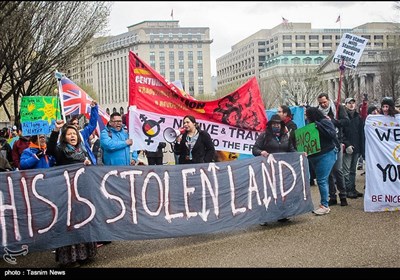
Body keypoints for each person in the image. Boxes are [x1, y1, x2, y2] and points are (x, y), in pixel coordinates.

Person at [47, 120, 96, 268]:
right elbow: (50, 150)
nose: (72, 136)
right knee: (69, 222)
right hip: (66, 191)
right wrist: (56, 130)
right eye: (69, 134)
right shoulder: (60, 150)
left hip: (81, 191)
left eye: (74, 133)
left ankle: (84, 254)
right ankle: (69, 258)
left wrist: (87, 163)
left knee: (82, 220)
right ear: (64, 137)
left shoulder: (82, 150)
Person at [252, 114, 296, 224]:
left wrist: (301, 155)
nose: (276, 125)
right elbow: (255, 149)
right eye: (274, 124)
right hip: (268, 170)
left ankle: (281, 214)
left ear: (281, 125)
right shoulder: (264, 136)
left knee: (281, 192)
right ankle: (264, 216)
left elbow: (291, 150)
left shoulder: (286, 136)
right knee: (268, 192)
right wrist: (261, 152)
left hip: (282, 170)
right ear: (270, 125)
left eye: (278, 124)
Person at [317, 93, 349, 207]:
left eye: (324, 102)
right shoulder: (318, 111)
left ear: (328, 100)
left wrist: (333, 121)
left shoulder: (338, 107)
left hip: (337, 141)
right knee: (328, 171)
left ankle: (343, 195)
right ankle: (332, 196)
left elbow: (346, 121)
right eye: (320, 103)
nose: (323, 105)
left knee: (337, 169)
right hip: (325, 144)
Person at [305, 107, 338, 215]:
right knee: (323, 179)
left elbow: (332, 135)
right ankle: (327, 200)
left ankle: (325, 205)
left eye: (307, 114)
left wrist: (318, 126)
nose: (306, 117)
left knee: (321, 180)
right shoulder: (309, 124)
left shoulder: (324, 122)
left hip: (326, 154)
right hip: (315, 156)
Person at [342, 97, 364, 199]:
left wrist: (360, 148)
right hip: (348, 147)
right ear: (345, 104)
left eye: (353, 103)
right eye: (349, 103)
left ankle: (352, 188)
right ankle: (347, 189)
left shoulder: (358, 117)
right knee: (346, 170)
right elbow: (342, 133)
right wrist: (346, 144)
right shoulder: (343, 117)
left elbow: (360, 133)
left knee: (353, 170)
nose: (351, 105)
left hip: (356, 147)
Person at [68, 100, 99, 165]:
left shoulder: (82, 134)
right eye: (73, 124)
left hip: (88, 164)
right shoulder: (64, 137)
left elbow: (92, 124)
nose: (76, 125)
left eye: (77, 123)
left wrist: (94, 108)